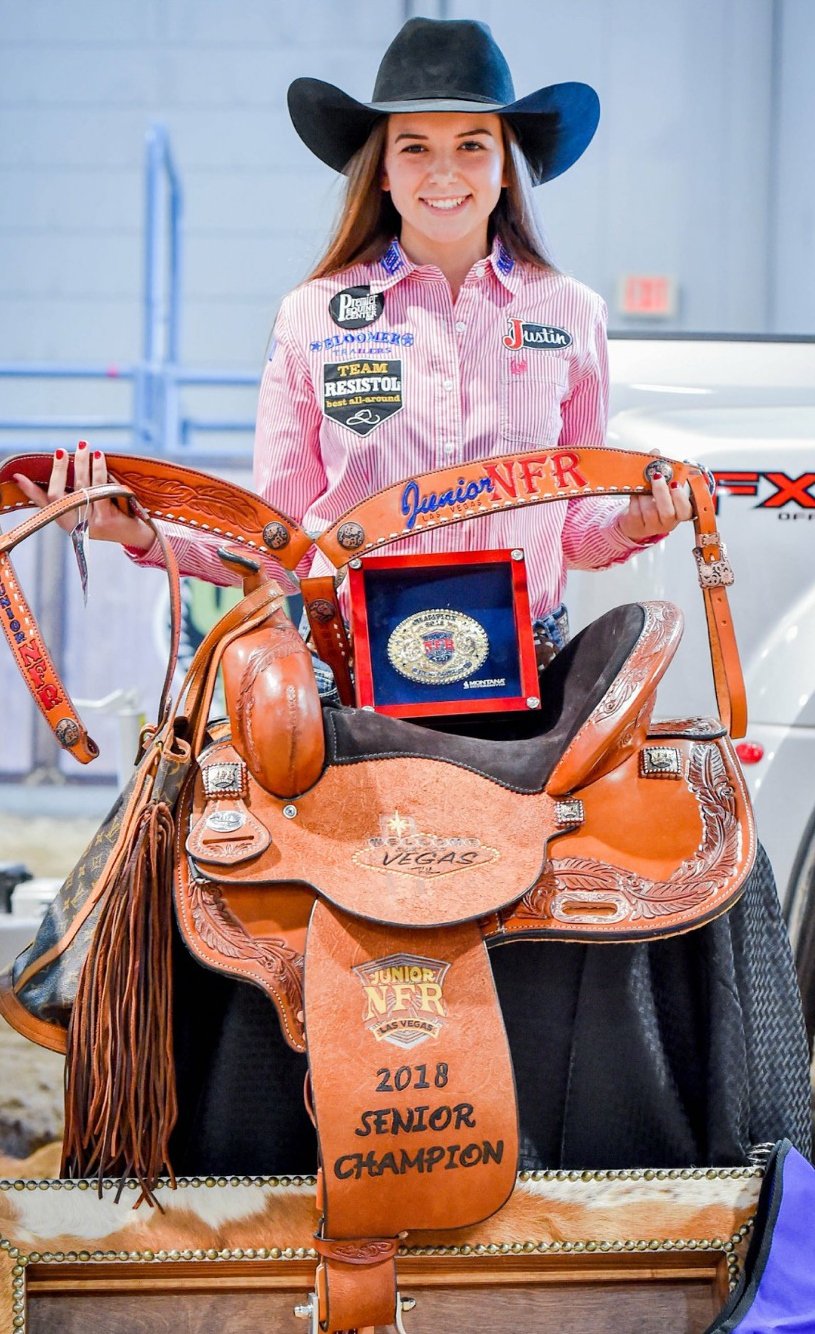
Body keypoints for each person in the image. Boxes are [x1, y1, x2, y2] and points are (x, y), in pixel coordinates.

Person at [13, 18, 811, 1177]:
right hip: (355, 682)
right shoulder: (312, 316)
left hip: (528, 678)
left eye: (471, 145)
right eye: (415, 146)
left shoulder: (568, 313)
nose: (444, 171)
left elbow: (577, 528)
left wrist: (639, 518)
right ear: (378, 168)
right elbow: (278, 538)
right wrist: (144, 532)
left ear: (507, 164)